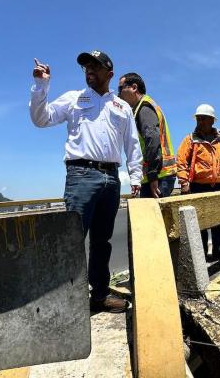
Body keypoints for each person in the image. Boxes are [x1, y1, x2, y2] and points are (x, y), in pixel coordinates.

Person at [29, 50, 142, 313]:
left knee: (102, 241)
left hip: (112, 178)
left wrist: (135, 177)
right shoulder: (73, 99)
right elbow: (41, 119)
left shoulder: (122, 107)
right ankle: (63, 300)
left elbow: (132, 145)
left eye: (95, 66)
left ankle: (99, 295)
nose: (89, 70)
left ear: (110, 74)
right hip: (81, 176)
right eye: (86, 66)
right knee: (72, 239)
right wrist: (41, 85)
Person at [176, 104, 220, 261]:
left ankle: (219, 250)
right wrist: (184, 183)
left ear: (211, 120)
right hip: (198, 186)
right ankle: (201, 254)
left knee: (219, 220)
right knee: (200, 223)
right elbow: (181, 162)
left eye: (203, 119)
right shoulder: (190, 140)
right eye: (198, 118)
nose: (200, 122)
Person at [117, 72, 177, 198]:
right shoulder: (140, 108)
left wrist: (152, 175)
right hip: (157, 175)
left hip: (159, 176)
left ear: (134, 88)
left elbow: (152, 140)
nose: (118, 94)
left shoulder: (144, 109)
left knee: (153, 216)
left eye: (121, 88)